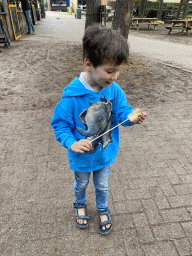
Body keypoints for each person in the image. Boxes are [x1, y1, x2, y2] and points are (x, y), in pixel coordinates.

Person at [51, 25, 147, 235]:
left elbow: (121, 113)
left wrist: (132, 117)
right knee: (81, 184)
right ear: (88, 64)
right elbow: (60, 125)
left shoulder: (114, 90)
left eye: (118, 70)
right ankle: (80, 205)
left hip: (104, 154)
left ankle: (103, 208)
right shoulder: (71, 98)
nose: (115, 76)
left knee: (102, 185)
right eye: (110, 71)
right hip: (82, 158)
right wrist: (72, 143)